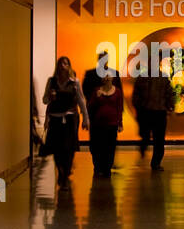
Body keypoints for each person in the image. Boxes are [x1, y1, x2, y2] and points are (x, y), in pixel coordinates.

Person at [42, 56, 89, 184]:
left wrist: (86, 118)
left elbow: (81, 100)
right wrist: (50, 97)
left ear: (69, 66)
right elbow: (44, 100)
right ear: (58, 66)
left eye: (66, 63)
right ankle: (61, 172)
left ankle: (66, 171)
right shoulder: (51, 81)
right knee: (57, 148)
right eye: (61, 63)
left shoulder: (74, 82)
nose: (63, 65)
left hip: (70, 117)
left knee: (69, 147)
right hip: (56, 118)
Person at [132, 56, 172, 170]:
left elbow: (168, 94)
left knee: (157, 139)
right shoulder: (146, 77)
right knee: (153, 138)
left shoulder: (146, 77)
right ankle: (154, 161)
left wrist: (169, 106)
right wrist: (170, 107)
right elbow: (169, 94)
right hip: (150, 111)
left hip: (154, 112)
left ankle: (155, 162)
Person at [87, 69, 124, 177]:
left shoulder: (117, 92)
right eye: (105, 76)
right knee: (98, 147)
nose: (107, 78)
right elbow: (90, 107)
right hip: (98, 124)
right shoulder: (96, 91)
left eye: (109, 76)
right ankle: (98, 167)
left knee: (110, 147)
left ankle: (107, 168)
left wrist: (120, 123)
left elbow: (119, 107)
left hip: (112, 124)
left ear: (112, 78)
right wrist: (96, 98)